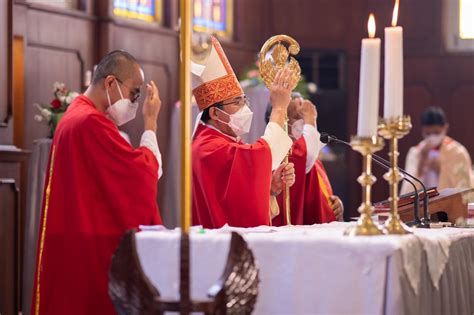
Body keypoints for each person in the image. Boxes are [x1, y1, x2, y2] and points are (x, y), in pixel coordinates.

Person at [32, 50, 163, 315]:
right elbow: (142, 175)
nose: (136, 103)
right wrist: (151, 123)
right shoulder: (90, 122)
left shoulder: (77, 114)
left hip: (75, 238)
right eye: (134, 94)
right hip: (89, 248)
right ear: (111, 83)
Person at [192, 37, 296, 228]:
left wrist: (270, 188)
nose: (244, 108)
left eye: (244, 101)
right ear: (215, 113)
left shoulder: (224, 141)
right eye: (237, 102)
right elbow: (263, 154)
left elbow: (236, 199)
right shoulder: (207, 147)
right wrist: (279, 108)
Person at [269, 93, 343, 225]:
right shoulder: (280, 157)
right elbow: (304, 154)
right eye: (298, 117)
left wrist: (335, 206)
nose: (304, 123)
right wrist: (310, 119)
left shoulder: (315, 161)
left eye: (304, 116)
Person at [401, 106, 474, 194]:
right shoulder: (415, 152)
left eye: (436, 132)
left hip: (449, 205)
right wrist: (421, 165)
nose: (432, 137)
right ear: (422, 130)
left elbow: (466, 187)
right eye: (428, 133)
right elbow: (406, 191)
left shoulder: (457, 152)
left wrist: (441, 169)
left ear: (445, 128)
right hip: (422, 204)